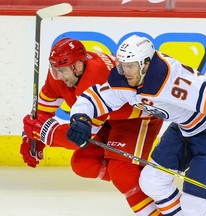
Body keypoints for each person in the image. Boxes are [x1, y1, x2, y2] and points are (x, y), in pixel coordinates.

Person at [66, 34, 206, 216]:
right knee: (151, 182)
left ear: (146, 64)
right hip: (182, 130)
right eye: (121, 65)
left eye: (130, 66)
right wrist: (81, 117)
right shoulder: (126, 79)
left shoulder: (170, 79)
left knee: (196, 209)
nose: (124, 71)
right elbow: (96, 98)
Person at [20, 38, 164, 216]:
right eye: (55, 71)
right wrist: (31, 138)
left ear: (78, 66)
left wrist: (44, 133)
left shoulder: (97, 77)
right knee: (84, 163)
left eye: (62, 71)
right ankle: (143, 179)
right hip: (106, 118)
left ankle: (158, 202)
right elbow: (42, 111)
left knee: (122, 174)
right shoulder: (61, 73)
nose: (59, 76)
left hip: (136, 117)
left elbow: (79, 137)